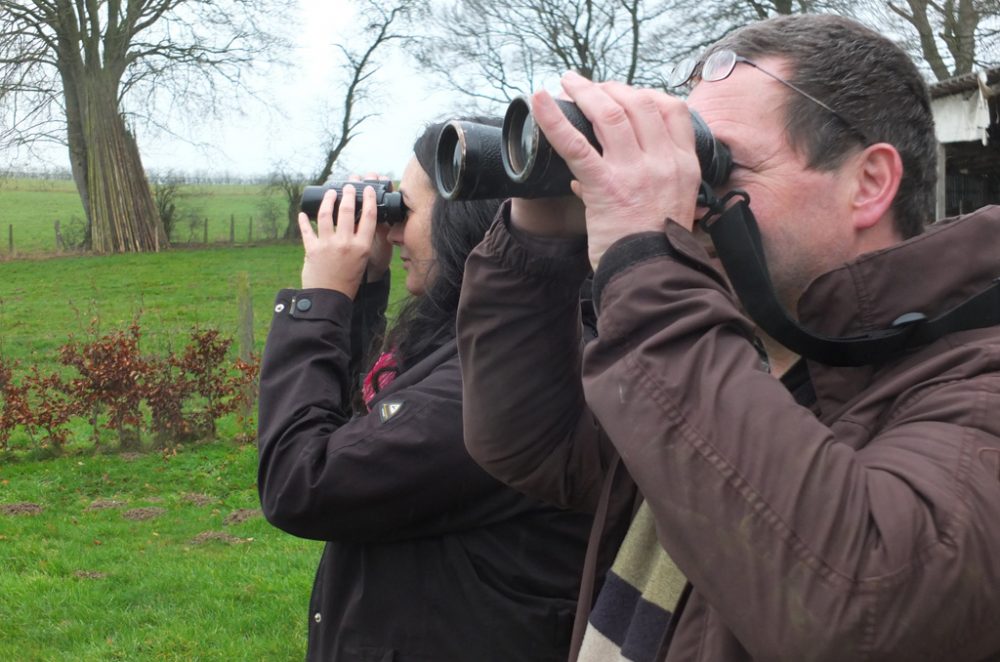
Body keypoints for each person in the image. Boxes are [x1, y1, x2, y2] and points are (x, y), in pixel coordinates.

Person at [457, 13, 1000, 662]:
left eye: (716, 168)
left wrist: (642, 259)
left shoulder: (973, 384)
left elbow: (864, 610)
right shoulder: (729, 347)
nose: (684, 201)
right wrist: (543, 227)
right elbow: (529, 443)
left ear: (870, 184)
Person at [256, 120, 593, 661]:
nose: (387, 231)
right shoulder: (504, 348)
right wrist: (362, 293)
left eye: (401, 212)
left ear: (466, 222)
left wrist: (321, 298)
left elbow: (303, 481)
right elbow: (361, 432)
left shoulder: (489, 388)